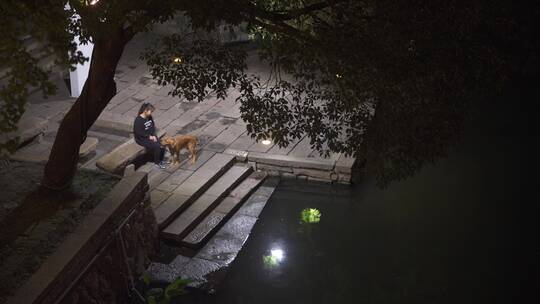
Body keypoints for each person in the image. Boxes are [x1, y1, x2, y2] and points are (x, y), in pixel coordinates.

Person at [133, 103, 167, 169]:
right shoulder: (138, 120)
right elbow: (138, 132)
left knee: (162, 145)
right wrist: (149, 137)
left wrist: (154, 136)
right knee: (157, 146)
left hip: (151, 136)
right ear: (145, 111)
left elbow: (152, 126)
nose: (151, 113)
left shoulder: (149, 117)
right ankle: (157, 163)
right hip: (142, 139)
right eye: (150, 111)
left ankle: (161, 160)